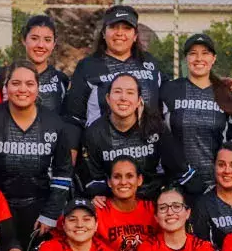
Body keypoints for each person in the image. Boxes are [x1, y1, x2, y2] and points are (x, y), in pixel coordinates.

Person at [0, 62, 74, 246]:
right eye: (15, 83)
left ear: (38, 88)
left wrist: (50, 214)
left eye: (29, 84)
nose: (22, 89)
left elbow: (63, 171)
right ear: (6, 87)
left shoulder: (54, 122)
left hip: (39, 207)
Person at [80, 73, 197, 201]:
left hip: (153, 201)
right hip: (114, 202)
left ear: (138, 101)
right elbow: (93, 181)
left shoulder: (155, 128)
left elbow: (179, 169)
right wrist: (96, 196)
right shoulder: (94, 133)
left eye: (130, 93)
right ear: (108, 98)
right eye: (117, 92)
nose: (123, 98)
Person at [64, 4, 165, 128]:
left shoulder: (150, 62)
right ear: (103, 33)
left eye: (127, 28)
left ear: (135, 36)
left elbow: (164, 104)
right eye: (113, 27)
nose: (119, 33)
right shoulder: (88, 66)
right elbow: (73, 116)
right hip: (104, 144)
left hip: (147, 143)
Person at [160, 33, 232, 192]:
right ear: (185, 59)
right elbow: (160, 136)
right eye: (193, 53)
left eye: (205, 53)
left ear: (214, 58)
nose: (199, 58)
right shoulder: (169, 90)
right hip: (177, 183)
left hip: (216, 185)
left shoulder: (226, 94)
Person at [91, 157, 158, 251]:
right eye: (117, 177)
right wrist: (87, 206)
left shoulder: (153, 209)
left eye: (129, 176)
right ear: (109, 182)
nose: (123, 182)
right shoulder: (98, 210)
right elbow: (66, 224)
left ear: (139, 180)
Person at [0, 14, 70, 116]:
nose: (40, 45)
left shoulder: (61, 80)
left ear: (54, 44)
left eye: (47, 40)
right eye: (34, 38)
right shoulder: (4, 75)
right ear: (24, 40)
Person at [189, 142, 232, 250]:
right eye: (221, 165)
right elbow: (201, 248)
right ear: (214, 166)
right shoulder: (203, 204)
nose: (227, 171)